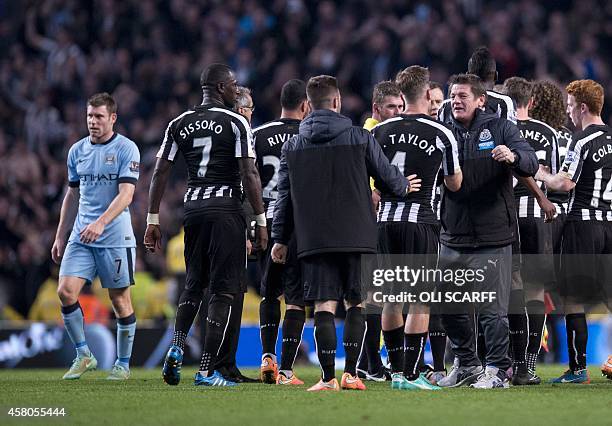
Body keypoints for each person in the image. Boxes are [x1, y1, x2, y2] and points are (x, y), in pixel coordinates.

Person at [271, 75, 419, 391]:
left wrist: (280, 239)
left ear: (308, 105)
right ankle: (352, 374)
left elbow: (284, 196)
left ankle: (327, 379)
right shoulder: (359, 138)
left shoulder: (293, 145)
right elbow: (389, 179)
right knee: (357, 304)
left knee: (324, 306)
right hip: (358, 235)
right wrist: (405, 185)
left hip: (313, 237)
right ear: (337, 102)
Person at [145, 63, 267, 387]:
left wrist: (152, 219)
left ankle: (177, 346)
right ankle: (206, 369)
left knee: (194, 284)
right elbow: (249, 174)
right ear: (222, 88)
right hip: (226, 209)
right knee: (224, 290)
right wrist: (260, 218)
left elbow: (159, 173)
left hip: (193, 211)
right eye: (233, 84)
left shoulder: (179, 123)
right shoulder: (236, 122)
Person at [437, 74, 538, 389]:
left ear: (481, 99)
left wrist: (514, 156)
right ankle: (467, 363)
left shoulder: (501, 128)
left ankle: (497, 371)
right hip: (453, 234)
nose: (456, 100)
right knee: (448, 304)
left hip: (492, 235)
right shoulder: (444, 132)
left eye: (463, 95)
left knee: (491, 309)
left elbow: (531, 161)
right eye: (453, 95)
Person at [372, 65, 462, 390]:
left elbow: (368, 181)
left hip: (384, 224)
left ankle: (396, 372)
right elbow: (454, 183)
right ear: (427, 94)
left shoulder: (379, 131)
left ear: (400, 95)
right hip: (421, 221)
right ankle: (410, 375)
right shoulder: (442, 132)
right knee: (420, 300)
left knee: (391, 299)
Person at [51, 92, 140, 380]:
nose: (93, 121)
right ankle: (83, 354)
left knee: (119, 301)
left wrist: (101, 223)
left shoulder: (127, 149)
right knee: (65, 292)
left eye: (99, 116)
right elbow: (72, 195)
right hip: (82, 235)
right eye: (89, 115)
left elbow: (126, 195)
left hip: (114, 236)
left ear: (112, 118)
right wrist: (60, 235)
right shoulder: (76, 151)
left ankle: (123, 365)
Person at [536, 79, 612, 384]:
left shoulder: (583, 141)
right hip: (610, 223)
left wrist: (538, 172)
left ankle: (578, 370)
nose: (568, 112)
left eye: (569, 106)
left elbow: (564, 183)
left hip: (583, 225)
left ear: (582, 107)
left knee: (573, 298)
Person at [196, 85, 259, 383]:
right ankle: (217, 364)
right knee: (225, 292)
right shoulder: (237, 136)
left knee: (224, 291)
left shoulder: (218, 136)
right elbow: (245, 187)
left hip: (205, 216)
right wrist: (249, 228)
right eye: (248, 111)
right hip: (230, 221)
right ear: (240, 110)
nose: (250, 116)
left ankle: (224, 363)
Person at [503, 77, 559, 385]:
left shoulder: (501, 130)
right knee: (536, 290)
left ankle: (511, 361)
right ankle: (529, 364)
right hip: (538, 218)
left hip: (505, 218)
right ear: (532, 102)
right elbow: (551, 178)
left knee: (510, 289)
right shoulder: (549, 133)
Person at [255, 79, 309, 385]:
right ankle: (287, 371)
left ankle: (267, 357)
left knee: (269, 293)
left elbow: (247, 181)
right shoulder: (309, 135)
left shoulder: (257, 135)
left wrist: (253, 226)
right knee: (296, 299)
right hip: (298, 227)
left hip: (266, 224)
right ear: (305, 105)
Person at [359, 80, 402, 382]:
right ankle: (371, 362)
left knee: (380, 294)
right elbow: (370, 183)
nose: (397, 112)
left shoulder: (389, 133)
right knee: (375, 294)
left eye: (401, 106)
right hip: (371, 225)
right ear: (377, 109)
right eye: (391, 107)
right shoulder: (371, 133)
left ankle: (368, 361)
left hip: (379, 224)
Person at [438, 47, 516, 124]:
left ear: (467, 75)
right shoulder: (503, 103)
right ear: (496, 75)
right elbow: (509, 134)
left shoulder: (445, 107)